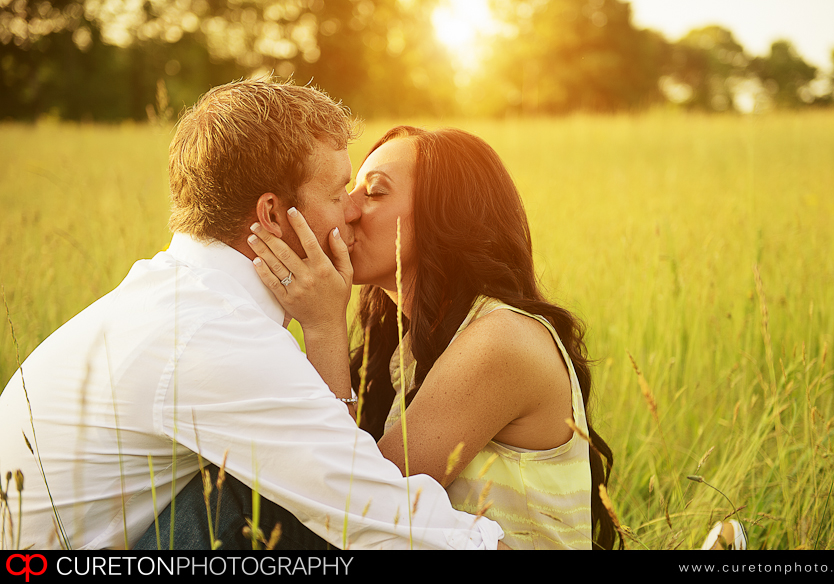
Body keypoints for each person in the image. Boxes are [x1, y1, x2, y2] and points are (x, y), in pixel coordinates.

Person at [0, 79, 505, 550]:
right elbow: (370, 514)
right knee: (260, 503)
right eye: (336, 195)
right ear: (270, 215)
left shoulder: (178, 296)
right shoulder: (215, 336)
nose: (351, 211)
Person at [248, 126, 618, 550]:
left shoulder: (502, 339)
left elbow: (359, 505)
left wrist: (322, 325)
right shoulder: (404, 346)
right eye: (350, 190)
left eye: (375, 192)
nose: (347, 209)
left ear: (447, 214)